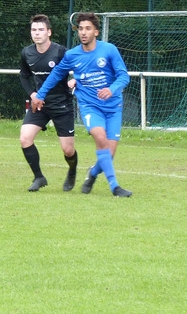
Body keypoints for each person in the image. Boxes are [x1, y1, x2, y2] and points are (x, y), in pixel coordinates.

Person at [31, 11, 132, 197]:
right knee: (100, 137)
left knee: (108, 155)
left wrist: (112, 89)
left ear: (96, 32)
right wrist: (40, 95)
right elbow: (56, 75)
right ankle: (115, 187)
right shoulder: (72, 55)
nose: (83, 32)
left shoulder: (109, 50)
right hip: (90, 106)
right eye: (81, 29)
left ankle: (92, 173)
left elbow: (123, 76)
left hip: (113, 107)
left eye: (88, 29)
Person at [19, 14, 78, 192]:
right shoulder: (27, 53)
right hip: (40, 105)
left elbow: (79, 68)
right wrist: (33, 94)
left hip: (61, 104)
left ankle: (72, 170)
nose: (37, 33)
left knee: (68, 150)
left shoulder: (60, 52)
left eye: (41, 30)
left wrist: (74, 80)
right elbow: (24, 76)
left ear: (49, 32)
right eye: (34, 30)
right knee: (25, 139)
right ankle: (39, 177)